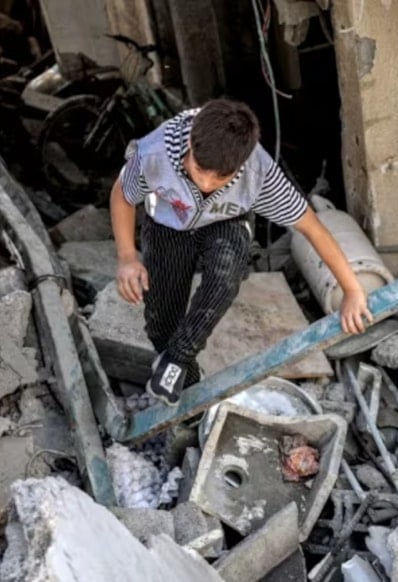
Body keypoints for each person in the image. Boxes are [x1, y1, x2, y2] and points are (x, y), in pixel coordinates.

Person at [110, 98, 372, 405]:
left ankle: (178, 359)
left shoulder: (259, 173)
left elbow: (312, 228)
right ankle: (189, 387)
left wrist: (352, 289)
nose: (206, 183)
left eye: (220, 177)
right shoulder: (155, 153)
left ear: (241, 164)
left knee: (224, 277)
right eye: (198, 169)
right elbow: (122, 195)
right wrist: (127, 257)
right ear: (191, 144)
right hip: (168, 225)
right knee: (162, 325)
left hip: (226, 221)